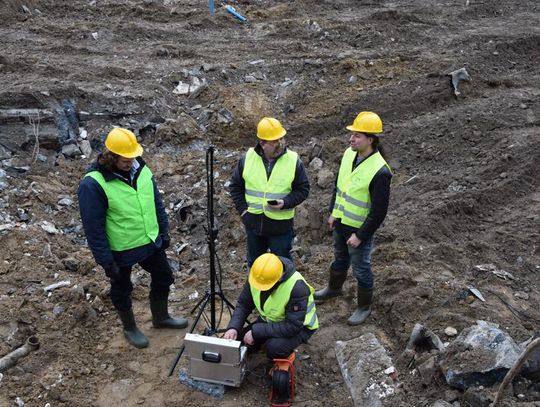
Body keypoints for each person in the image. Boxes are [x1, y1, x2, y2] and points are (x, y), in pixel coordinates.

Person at [78, 128, 188, 349]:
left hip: (149, 240)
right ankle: (129, 327)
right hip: (121, 248)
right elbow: (93, 228)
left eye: (133, 157)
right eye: (125, 159)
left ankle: (160, 317)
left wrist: (164, 232)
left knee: (164, 276)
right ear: (111, 156)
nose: (130, 162)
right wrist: (105, 261)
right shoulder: (93, 183)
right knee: (122, 288)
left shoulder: (142, 169)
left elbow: (156, 202)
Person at [314, 112, 392, 326]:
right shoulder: (350, 154)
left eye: (357, 136)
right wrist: (333, 213)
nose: (351, 139)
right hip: (341, 223)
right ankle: (334, 289)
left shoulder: (380, 171)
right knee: (339, 258)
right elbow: (340, 187)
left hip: (359, 230)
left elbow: (378, 212)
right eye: (352, 134)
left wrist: (360, 235)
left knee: (361, 268)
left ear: (371, 140)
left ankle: (364, 306)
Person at [229, 117, 310, 267]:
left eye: (281, 138)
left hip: (280, 227)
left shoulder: (293, 160)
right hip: (253, 226)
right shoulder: (247, 159)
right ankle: (257, 291)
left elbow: (303, 189)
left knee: (283, 266)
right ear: (262, 143)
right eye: (274, 141)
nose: (279, 143)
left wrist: (285, 203)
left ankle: (283, 291)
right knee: (255, 265)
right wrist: (243, 212)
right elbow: (235, 187)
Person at [223, 253, 318, 360]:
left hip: (300, 327)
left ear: (279, 278)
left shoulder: (297, 287)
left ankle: (287, 356)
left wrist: (256, 332)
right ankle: (261, 342)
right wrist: (233, 327)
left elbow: (292, 327)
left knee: (274, 348)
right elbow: (244, 304)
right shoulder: (258, 275)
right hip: (270, 321)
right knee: (236, 342)